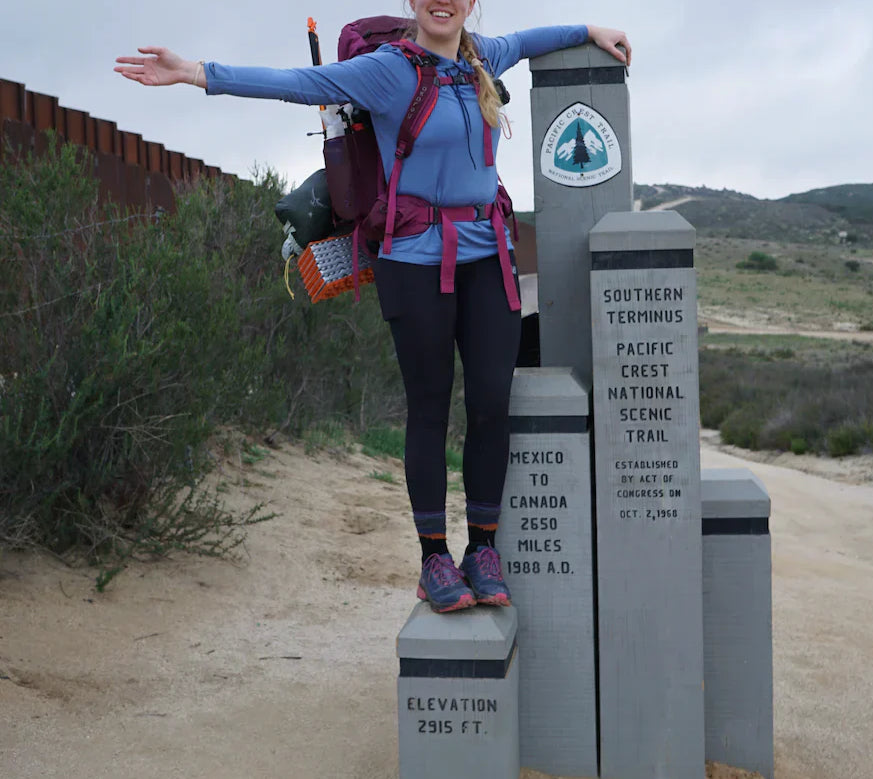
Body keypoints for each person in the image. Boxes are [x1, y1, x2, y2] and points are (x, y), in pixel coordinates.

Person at [116, 0, 631, 614]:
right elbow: (296, 85)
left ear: (471, 5)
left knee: (493, 401)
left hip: (488, 256)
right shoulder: (389, 71)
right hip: (413, 261)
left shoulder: (482, 58)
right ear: (414, 2)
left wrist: (590, 30)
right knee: (430, 406)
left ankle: (484, 549)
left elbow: (532, 38)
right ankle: (435, 557)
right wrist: (196, 71)